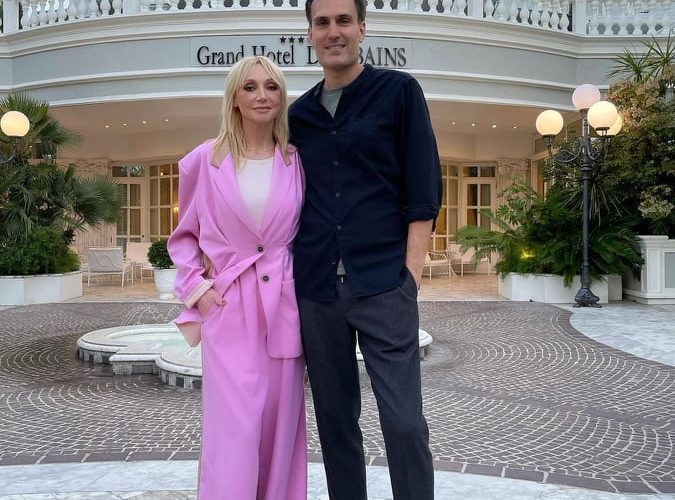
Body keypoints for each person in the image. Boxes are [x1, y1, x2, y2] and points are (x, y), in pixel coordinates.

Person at [288, 0, 442, 499]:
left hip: (384, 284)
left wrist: (409, 278)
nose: (333, 31)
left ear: (362, 28)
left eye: (343, 21)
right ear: (309, 33)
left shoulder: (399, 92)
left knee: (403, 422)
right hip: (317, 290)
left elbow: (423, 190)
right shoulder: (298, 116)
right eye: (322, 22)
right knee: (335, 422)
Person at [167, 55, 307, 500]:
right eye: (250, 87)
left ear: (281, 96)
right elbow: (183, 237)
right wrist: (199, 291)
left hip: (285, 307)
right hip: (228, 307)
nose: (261, 95)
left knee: (281, 427)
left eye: (271, 86)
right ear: (234, 98)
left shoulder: (296, 161)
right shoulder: (204, 161)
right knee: (235, 430)